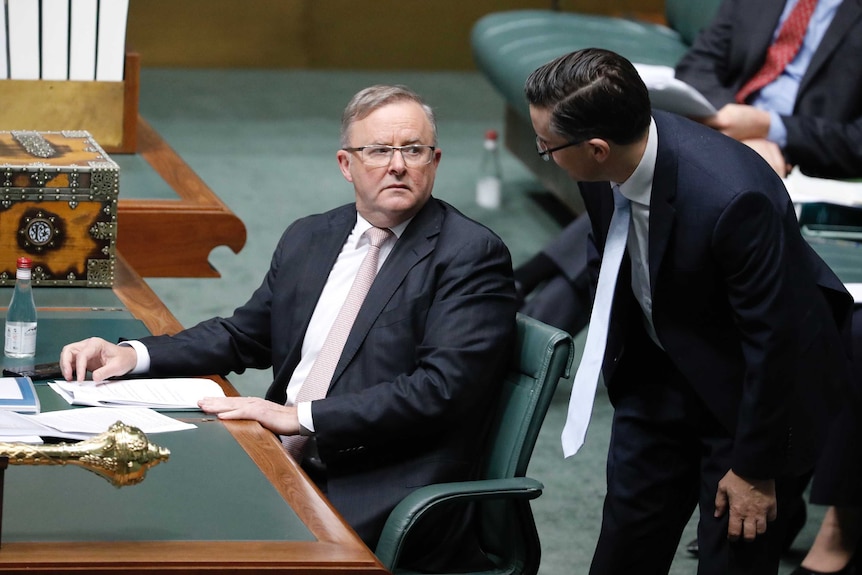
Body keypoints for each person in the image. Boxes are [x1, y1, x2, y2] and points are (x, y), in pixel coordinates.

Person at [59, 84, 518, 569]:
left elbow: (440, 390)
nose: (397, 165)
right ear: (347, 164)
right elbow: (245, 335)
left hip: (380, 480)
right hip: (279, 454)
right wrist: (134, 355)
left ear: (435, 160)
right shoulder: (312, 236)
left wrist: (301, 417)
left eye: (413, 150)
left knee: (205, 548)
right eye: (379, 150)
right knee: (130, 509)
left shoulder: (469, 254)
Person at [524, 47, 853, 574]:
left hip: (750, 400)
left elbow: (775, 342)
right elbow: (606, 249)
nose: (543, 148)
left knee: (733, 558)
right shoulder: (601, 161)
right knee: (624, 550)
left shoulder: (732, 199)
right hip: (660, 373)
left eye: (546, 146)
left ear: (598, 148)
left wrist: (753, 467)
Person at [517, 0, 862, 338]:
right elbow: (699, 64)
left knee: (637, 187)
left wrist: (770, 128)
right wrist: (727, 119)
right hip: (720, 126)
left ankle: (527, 303)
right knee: (631, 179)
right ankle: (526, 312)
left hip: (798, 163)